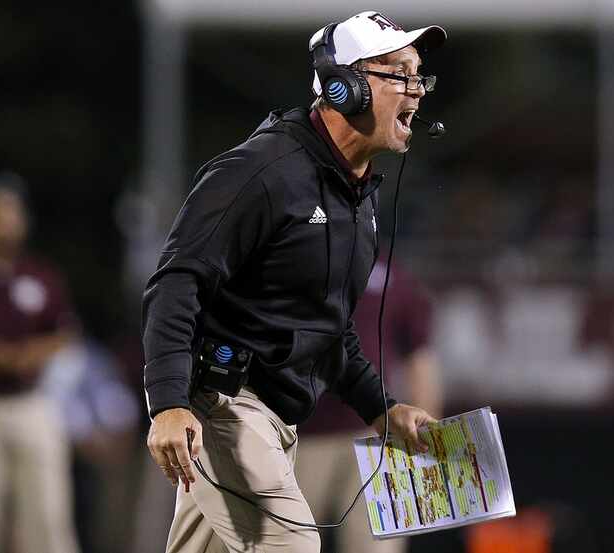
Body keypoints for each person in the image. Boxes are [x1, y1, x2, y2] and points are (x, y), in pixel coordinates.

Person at [141, 11, 447, 553]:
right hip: (224, 404)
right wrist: (167, 402)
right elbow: (176, 282)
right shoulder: (261, 171)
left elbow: (328, 330)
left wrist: (382, 407)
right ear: (344, 86)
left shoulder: (356, 195)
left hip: (277, 418)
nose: (416, 91)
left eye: (417, 73)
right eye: (397, 73)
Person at [295, 254, 442, 553]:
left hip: (379, 434)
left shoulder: (394, 275)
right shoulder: (302, 256)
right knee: (284, 538)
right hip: (304, 433)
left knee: (377, 546)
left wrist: (429, 439)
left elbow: (420, 358)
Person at [0, 174, 80, 553]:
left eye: (11, 213)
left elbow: (65, 332)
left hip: (32, 402)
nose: (7, 221)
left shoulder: (38, 274)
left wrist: (33, 353)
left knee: (46, 512)